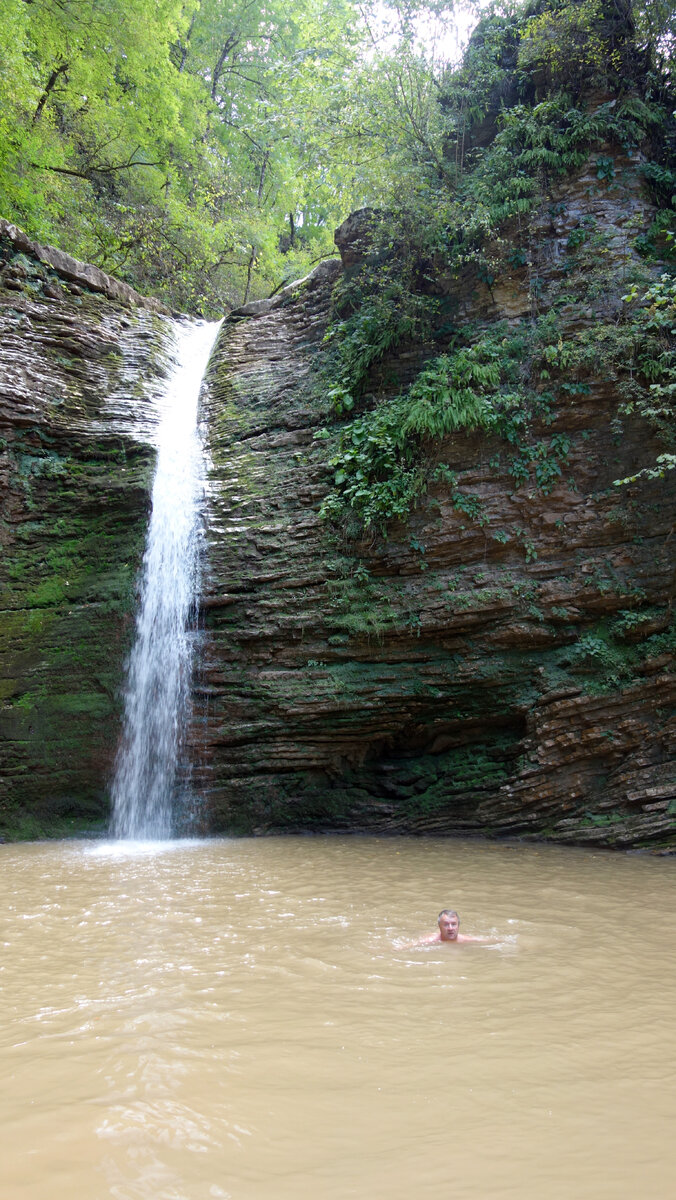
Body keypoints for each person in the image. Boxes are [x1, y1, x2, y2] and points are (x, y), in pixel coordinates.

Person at [412, 909, 491, 946]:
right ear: (439, 926)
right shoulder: (429, 941)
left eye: (453, 924)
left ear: (458, 926)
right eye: (446, 924)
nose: (450, 928)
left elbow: (490, 941)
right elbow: (407, 946)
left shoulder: (466, 939)